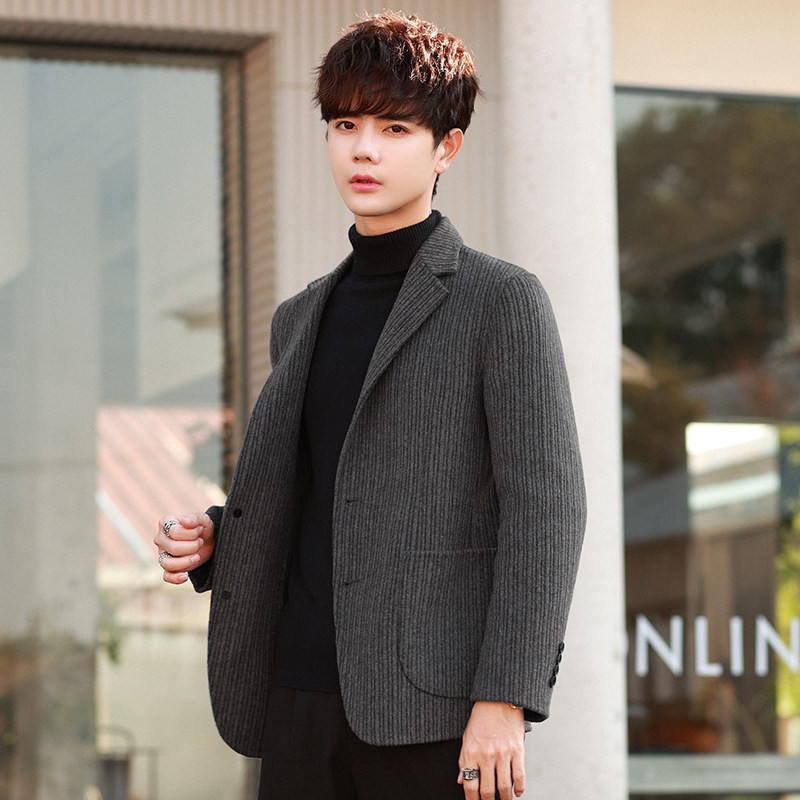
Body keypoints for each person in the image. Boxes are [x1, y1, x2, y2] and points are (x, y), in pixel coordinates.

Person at [155, 12, 586, 800]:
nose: (363, 149)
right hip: (297, 696)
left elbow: (545, 513)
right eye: (345, 124)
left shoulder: (501, 301)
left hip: (432, 711)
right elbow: (323, 496)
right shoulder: (300, 316)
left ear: (446, 148)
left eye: (394, 128)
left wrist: (506, 698)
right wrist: (223, 535)